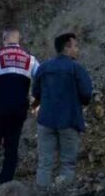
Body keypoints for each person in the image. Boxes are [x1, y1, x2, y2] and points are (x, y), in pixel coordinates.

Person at [0, 28, 38, 186]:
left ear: (4, 40)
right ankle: (6, 185)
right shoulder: (30, 59)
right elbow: (43, 78)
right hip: (18, 111)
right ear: (19, 41)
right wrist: (36, 101)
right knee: (12, 149)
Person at [32, 32, 93, 187]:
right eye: (75, 46)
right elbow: (86, 94)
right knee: (67, 163)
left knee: (45, 163)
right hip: (69, 120)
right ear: (67, 48)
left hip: (45, 120)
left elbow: (35, 93)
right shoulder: (76, 69)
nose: (78, 50)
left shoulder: (44, 68)